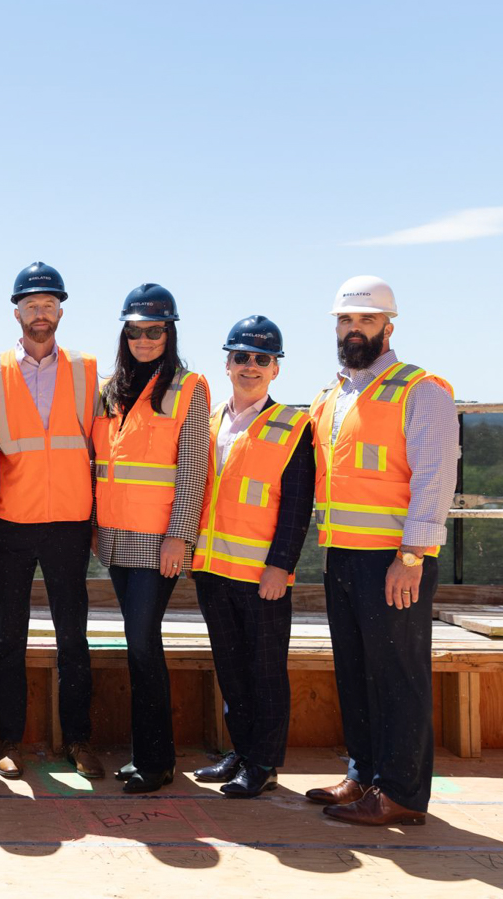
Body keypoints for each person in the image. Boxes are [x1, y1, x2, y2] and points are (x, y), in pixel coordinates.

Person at [307, 276, 457, 827]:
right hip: (342, 556)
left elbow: (436, 476)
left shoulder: (420, 389)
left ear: (388, 327)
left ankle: (401, 794)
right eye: (346, 321)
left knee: (398, 675)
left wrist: (413, 556)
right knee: (356, 672)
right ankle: (363, 775)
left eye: (365, 321)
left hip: (395, 560)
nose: (353, 330)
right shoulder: (334, 396)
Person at [0, 262, 102, 779]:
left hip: (70, 521)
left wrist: (98, 519)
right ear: (17, 311)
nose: (40, 313)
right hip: (10, 522)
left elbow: (101, 444)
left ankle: (79, 740)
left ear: (61, 311)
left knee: (74, 637)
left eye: (49, 305)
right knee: (9, 638)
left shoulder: (89, 369)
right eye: (31, 305)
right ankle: (9, 742)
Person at [92, 283, 210, 794]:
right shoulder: (109, 389)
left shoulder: (189, 387)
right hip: (115, 540)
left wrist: (179, 537)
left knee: (143, 644)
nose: (144, 339)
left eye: (155, 330)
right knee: (137, 645)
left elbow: (193, 470)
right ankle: (146, 754)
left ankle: (157, 761)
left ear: (170, 332)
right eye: (136, 330)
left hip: (157, 540)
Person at [190, 316, 313, 798]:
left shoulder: (293, 425)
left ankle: (263, 763)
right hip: (212, 569)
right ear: (227, 363)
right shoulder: (210, 420)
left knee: (264, 672)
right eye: (241, 357)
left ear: (275, 370)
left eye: (262, 359)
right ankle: (240, 753)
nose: (250, 366)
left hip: (262, 575)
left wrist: (280, 566)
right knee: (231, 669)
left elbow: (298, 503)